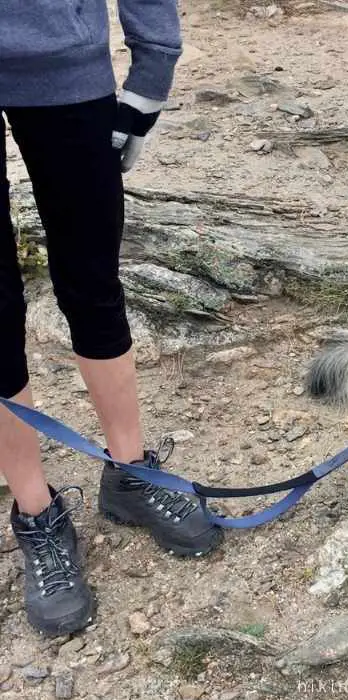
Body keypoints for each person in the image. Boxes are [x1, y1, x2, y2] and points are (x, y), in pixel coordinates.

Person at [0, 1, 223, 637]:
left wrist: (150, 76)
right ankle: (35, 510)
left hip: (68, 73)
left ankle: (130, 471)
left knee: (93, 283)